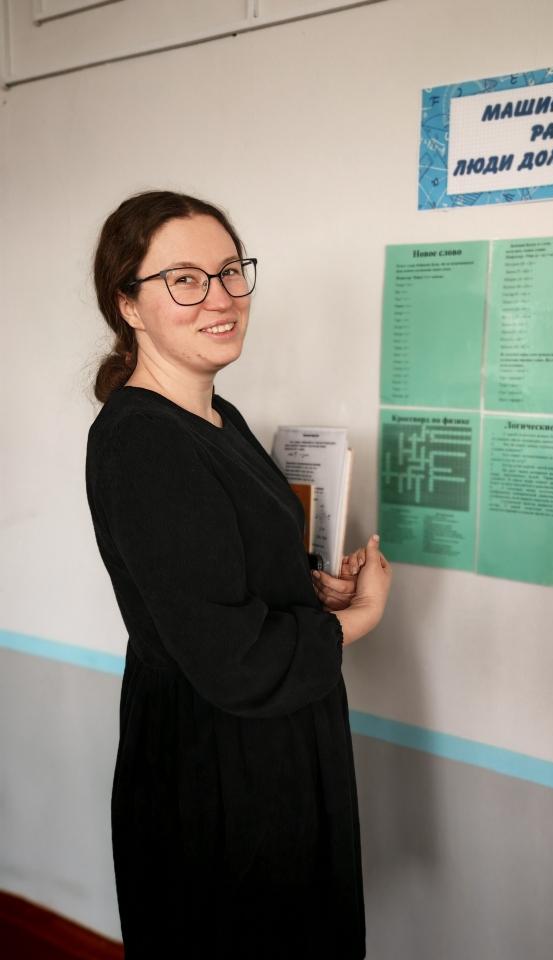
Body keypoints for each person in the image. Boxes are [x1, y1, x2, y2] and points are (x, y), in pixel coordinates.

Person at [85, 190, 391, 958]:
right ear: (129, 304)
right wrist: (360, 618)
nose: (221, 298)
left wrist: (313, 591)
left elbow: (226, 578)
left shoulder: (219, 417)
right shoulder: (144, 442)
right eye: (185, 280)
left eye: (229, 272)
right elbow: (234, 658)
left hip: (271, 745)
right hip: (217, 772)